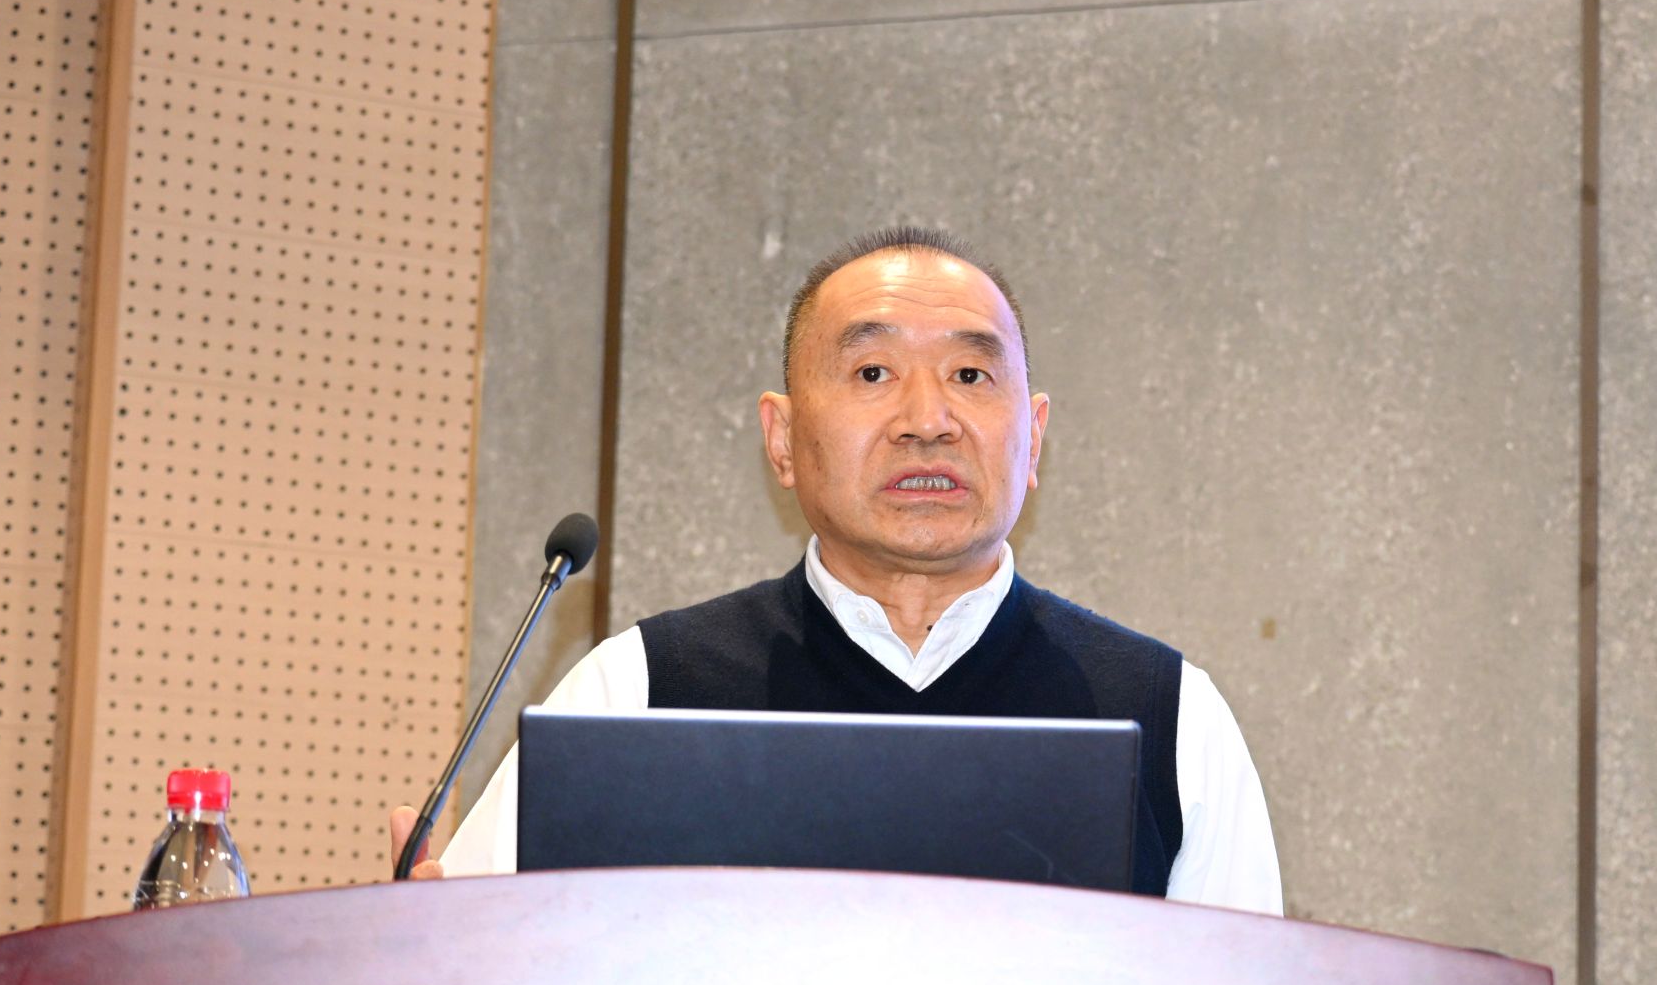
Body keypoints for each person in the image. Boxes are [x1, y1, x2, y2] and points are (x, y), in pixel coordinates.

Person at [392, 226, 1282, 914]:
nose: (927, 419)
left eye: (972, 374)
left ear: (1035, 434)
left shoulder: (1170, 716)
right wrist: (431, 954)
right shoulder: (639, 693)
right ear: (782, 438)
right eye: (873, 371)